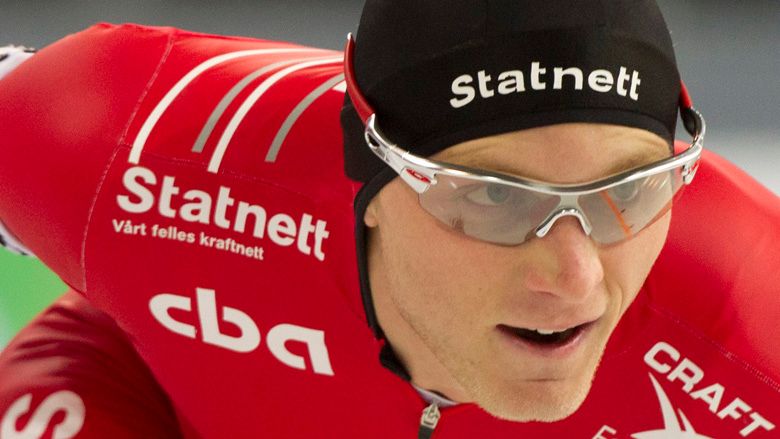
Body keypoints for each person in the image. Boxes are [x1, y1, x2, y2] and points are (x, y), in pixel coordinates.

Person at [0, 1, 778, 438]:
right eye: (495, 196)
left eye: (629, 190)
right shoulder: (146, 143)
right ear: (370, 176)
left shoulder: (750, 311)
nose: (576, 277)